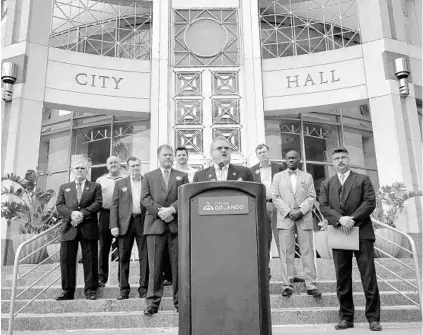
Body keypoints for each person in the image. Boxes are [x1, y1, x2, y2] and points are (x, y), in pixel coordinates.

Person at [319, 147, 381, 331]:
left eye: (343, 157)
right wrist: (340, 219)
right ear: (332, 162)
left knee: (368, 276)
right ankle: (346, 318)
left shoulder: (362, 179)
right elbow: (323, 205)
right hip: (339, 233)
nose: (340, 161)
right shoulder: (326, 183)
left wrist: (352, 219)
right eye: (336, 158)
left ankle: (373, 319)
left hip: (361, 232)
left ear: (349, 159)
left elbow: (369, 201)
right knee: (342, 277)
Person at [141, 145, 189, 315]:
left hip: (176, 227)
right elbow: (145, 199)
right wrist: (162, 212)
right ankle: (152, 304)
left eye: (170, 155)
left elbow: (186, 196)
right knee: (155, 267)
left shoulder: (182, 176)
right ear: (158, 156)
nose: (168, 158)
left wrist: (172, 210)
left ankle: (180, 303)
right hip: (155, 226)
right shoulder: (148, 176)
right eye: (165, 155)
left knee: (178, 267)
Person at [272, 150, 321, 298]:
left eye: (294, 158)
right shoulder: (278, 177)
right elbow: (275, 196)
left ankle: (311, 285)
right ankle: (287, 285)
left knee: (307, 252)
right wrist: (288, 211)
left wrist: (300, 210)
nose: (291, 160)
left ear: (299, 159)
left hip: (303, 217)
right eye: (289, 158)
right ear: (285, 161)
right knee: (286, 253)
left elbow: (312, 196)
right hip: (285, 218)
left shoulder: (307, 177)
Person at [55, 160, 102, 301]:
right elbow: (59, 206)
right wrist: (72, 214)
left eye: (82, 168)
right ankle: (67, 292)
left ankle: (91, 291)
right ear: (72, 170)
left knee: (90, 260)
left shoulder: (95, 186)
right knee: (67, 261)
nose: (79, 170)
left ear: (87, 170)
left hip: (88, 227)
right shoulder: (64, 187)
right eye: (77, 168)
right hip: (69, 228)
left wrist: (81, 214)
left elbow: (98, 203)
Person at [110, 157, 149, 300]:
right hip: (124, 224)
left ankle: (144, 288)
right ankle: (124, 290)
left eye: (138, 165)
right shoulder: (120, 183)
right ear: (127, 168)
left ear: (141, 166)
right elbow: (114, 205)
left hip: (143, 223)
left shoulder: (147, 181)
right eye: (132, 166)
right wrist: (113, 225)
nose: (135, 168)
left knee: (145, 257)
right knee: (123, 257)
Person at [250, 144, 285, 261]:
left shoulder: (279, 167)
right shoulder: (251, 171)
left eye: (264, 152)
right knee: (264, 238)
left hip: (277, 205)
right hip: (261, 206)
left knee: (281, 237)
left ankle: (288, 271)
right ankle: (265, 270)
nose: (262, 154)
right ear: (256, 155)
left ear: (268, 152)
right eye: (260, 153)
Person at [96, 156, 124, 288]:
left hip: (122, 215)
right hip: (105, 214)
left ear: (120, 165)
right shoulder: (100, 180)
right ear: (107, 166)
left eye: (115, 162)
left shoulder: (126, 178)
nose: (113, 164)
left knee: (122, 247)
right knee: (104, 247)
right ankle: (101, 278)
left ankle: (122, 278)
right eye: (110, 163)